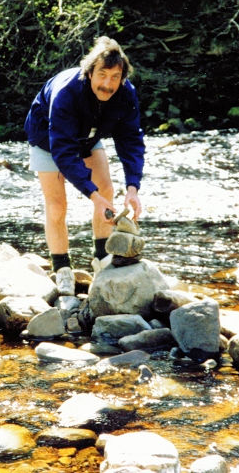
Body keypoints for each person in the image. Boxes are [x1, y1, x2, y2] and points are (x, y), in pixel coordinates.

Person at [24, 36, 145, 294]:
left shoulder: (125, 93)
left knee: (108, 191)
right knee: (57, 205)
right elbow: (64, 151)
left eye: (115, 77)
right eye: (102, 75)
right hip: (49, 139)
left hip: (89, 136)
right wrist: (91, 195)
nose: (108, 84)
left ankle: (101, 258)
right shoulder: (66, 92)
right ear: (89, 72)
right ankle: (62, 269)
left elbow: (131, 139)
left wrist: (133, 187)